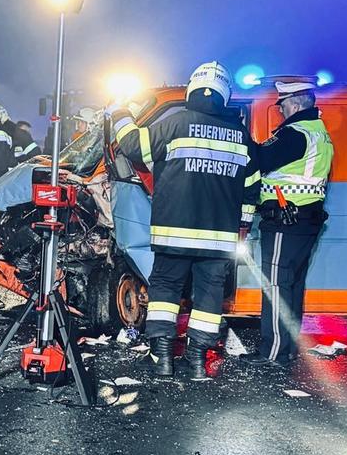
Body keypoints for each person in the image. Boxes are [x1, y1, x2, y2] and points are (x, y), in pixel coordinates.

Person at [109, 61, 259, 380]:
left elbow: (133, 145)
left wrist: (120, 111)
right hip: (219, 238)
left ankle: (162, 359)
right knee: (208, 296)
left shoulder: (176, 123)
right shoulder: (239, 135)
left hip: (173, 233)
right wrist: (241, 228)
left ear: (192, 89)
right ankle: (196, 363)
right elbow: (251, 186)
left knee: (165, 289)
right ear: (225, 95)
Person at [246, 80, 334, 367]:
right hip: (306, 220)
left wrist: (237, 131)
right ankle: (289, 349)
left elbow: (257, 158)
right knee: (292, 286)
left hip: (285, 221)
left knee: (275, 285)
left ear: (294, 103)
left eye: (282, 105)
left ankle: (273, 354)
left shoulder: (295, 134)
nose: (280, 111)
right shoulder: (319, 133)